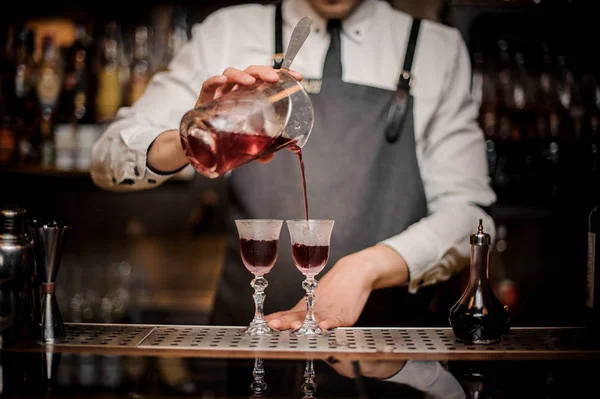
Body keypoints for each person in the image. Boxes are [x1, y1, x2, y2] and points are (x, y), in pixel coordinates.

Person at [90, 0, 496, 330]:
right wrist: (192, 136)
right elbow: (106, 158)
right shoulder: (228, 31)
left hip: (386, 347)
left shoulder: (436, 47)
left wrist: (365, 268)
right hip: (249, 335)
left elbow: (472, 218)